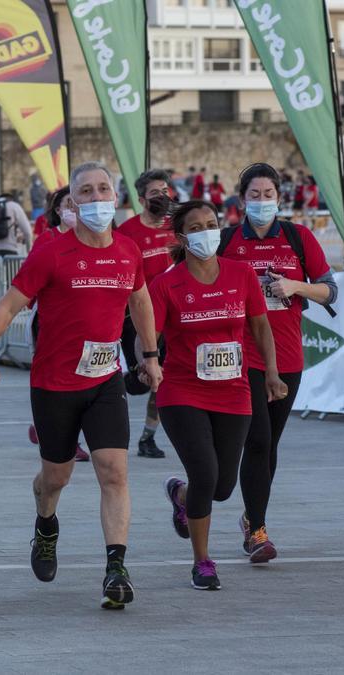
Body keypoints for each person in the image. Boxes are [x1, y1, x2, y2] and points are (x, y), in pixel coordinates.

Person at [0, 161, 163, 610]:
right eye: (87, 193)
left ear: (116, 197)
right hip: (54, 385)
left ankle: (116, 568)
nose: (97, 199)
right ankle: (46, 525)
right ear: (72, 203)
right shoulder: (52, 252)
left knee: (114, 471)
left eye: (103, 190)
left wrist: (149, 357)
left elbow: (141, 301)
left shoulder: (128, 251)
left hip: (104, 379)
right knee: (56, 477)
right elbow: (8, 306)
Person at [150, 199, 286, 590]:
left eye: (211, 224)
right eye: (196, 227)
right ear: (181, 237)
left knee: (222, 487)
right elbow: (151, 334)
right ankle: (202, 561)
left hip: (234, 390)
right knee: (206, 473)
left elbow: (261, 328)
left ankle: (182, 495)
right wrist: (145, 363)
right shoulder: (166, 283)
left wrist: (272, 374)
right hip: (182, 391)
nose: (206, 232)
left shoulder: (241, 274)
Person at [218, 162, 337, 563]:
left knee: (270, 447)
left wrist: (295, 285)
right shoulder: (227, 240)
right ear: (241, 200)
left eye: (269, 195)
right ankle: (257, 532)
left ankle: (252, 516)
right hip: (241, 357)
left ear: (279, 199)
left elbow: (329, 291)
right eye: (255, 195)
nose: (262, 202)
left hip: (287, 355)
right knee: (258, 440)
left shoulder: (297, 237)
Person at [116, 170, 178, 459]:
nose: (162, 197)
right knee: (140, 382)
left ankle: (147, 438)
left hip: (172, 316)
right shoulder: (127, 232)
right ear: (141, 199)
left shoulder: (176, 227)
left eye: (165, 191)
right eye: (155, 193)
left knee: (162, 378)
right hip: (136, 318)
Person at [25, 187, 90, 462]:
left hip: (85, 324)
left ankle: (46, 428)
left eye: (79, 204)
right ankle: (63, 437)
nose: (74, 210)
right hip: (50, 321)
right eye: (69, 204)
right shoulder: (47, 239)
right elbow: (28, 280)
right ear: (58, 210)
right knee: (57, 379)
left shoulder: (95, 240)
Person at [0, 192, 34, 257]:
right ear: (11, 199)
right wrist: (29, 251)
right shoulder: (14, 206)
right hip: (10, 250)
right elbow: (28, 232)